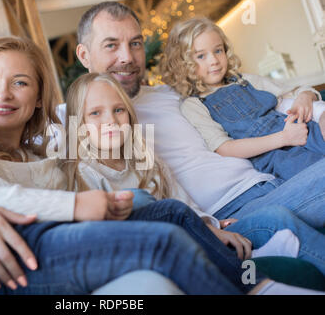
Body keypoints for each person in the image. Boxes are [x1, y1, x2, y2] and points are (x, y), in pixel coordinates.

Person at [0, 79, 319, 295]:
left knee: (171, 212)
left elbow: (28, 176)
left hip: (61, 233)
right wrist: (77, 205)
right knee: (159, 226)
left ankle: (257, 279)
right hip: (30, 257)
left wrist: (207, 222)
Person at [59, 1, 325, 255]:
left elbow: (268, 101)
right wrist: (207, 225)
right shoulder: (73, 119)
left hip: (274, 179)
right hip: (230, 211)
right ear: (84, 54)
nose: (127, 57)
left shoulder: (178, 93)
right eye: (111, 45)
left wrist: (314, 104)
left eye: (135, 43)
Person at [59, 71, 325, 274]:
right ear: (76, 123)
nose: (110, 120)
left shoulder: (148, 161)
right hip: (188, 239)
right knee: (272, 217)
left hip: (224, 215)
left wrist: (211, 224)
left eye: (118, 110)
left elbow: (182, 203)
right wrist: (209, 228)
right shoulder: (84, 174)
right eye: (95, 113)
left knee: (276, 214)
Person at [161, 17, 324, 181]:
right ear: (183, 64)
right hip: (276, 154)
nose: (214, 61)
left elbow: (294, 92)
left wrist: (305, 96)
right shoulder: (194, 105)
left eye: (218, 50)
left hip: (301, 130)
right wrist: (284, 138)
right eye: (201, 56)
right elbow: (225, 149)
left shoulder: (244, 80)